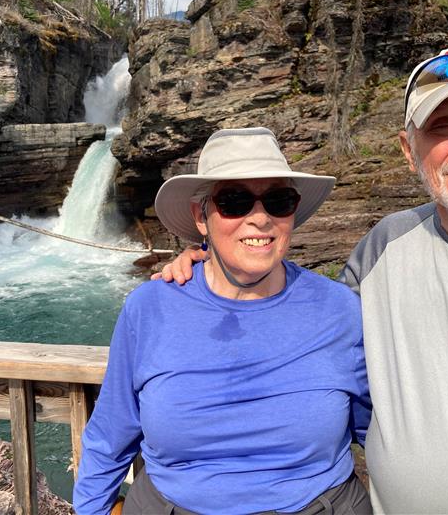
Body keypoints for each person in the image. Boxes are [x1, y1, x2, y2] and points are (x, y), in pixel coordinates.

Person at [156, 47, 448, 514]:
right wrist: (208, 263)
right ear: (410, 150)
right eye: (443, 126)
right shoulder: (382, 247)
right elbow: (295, 316)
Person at [74, 127, 372, 514]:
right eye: (235, 201)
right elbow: (110, 435)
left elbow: (380, 434)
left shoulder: (339, 309)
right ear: (202, 216)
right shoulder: (149, 307)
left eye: (278, 200)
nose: (260, 219)